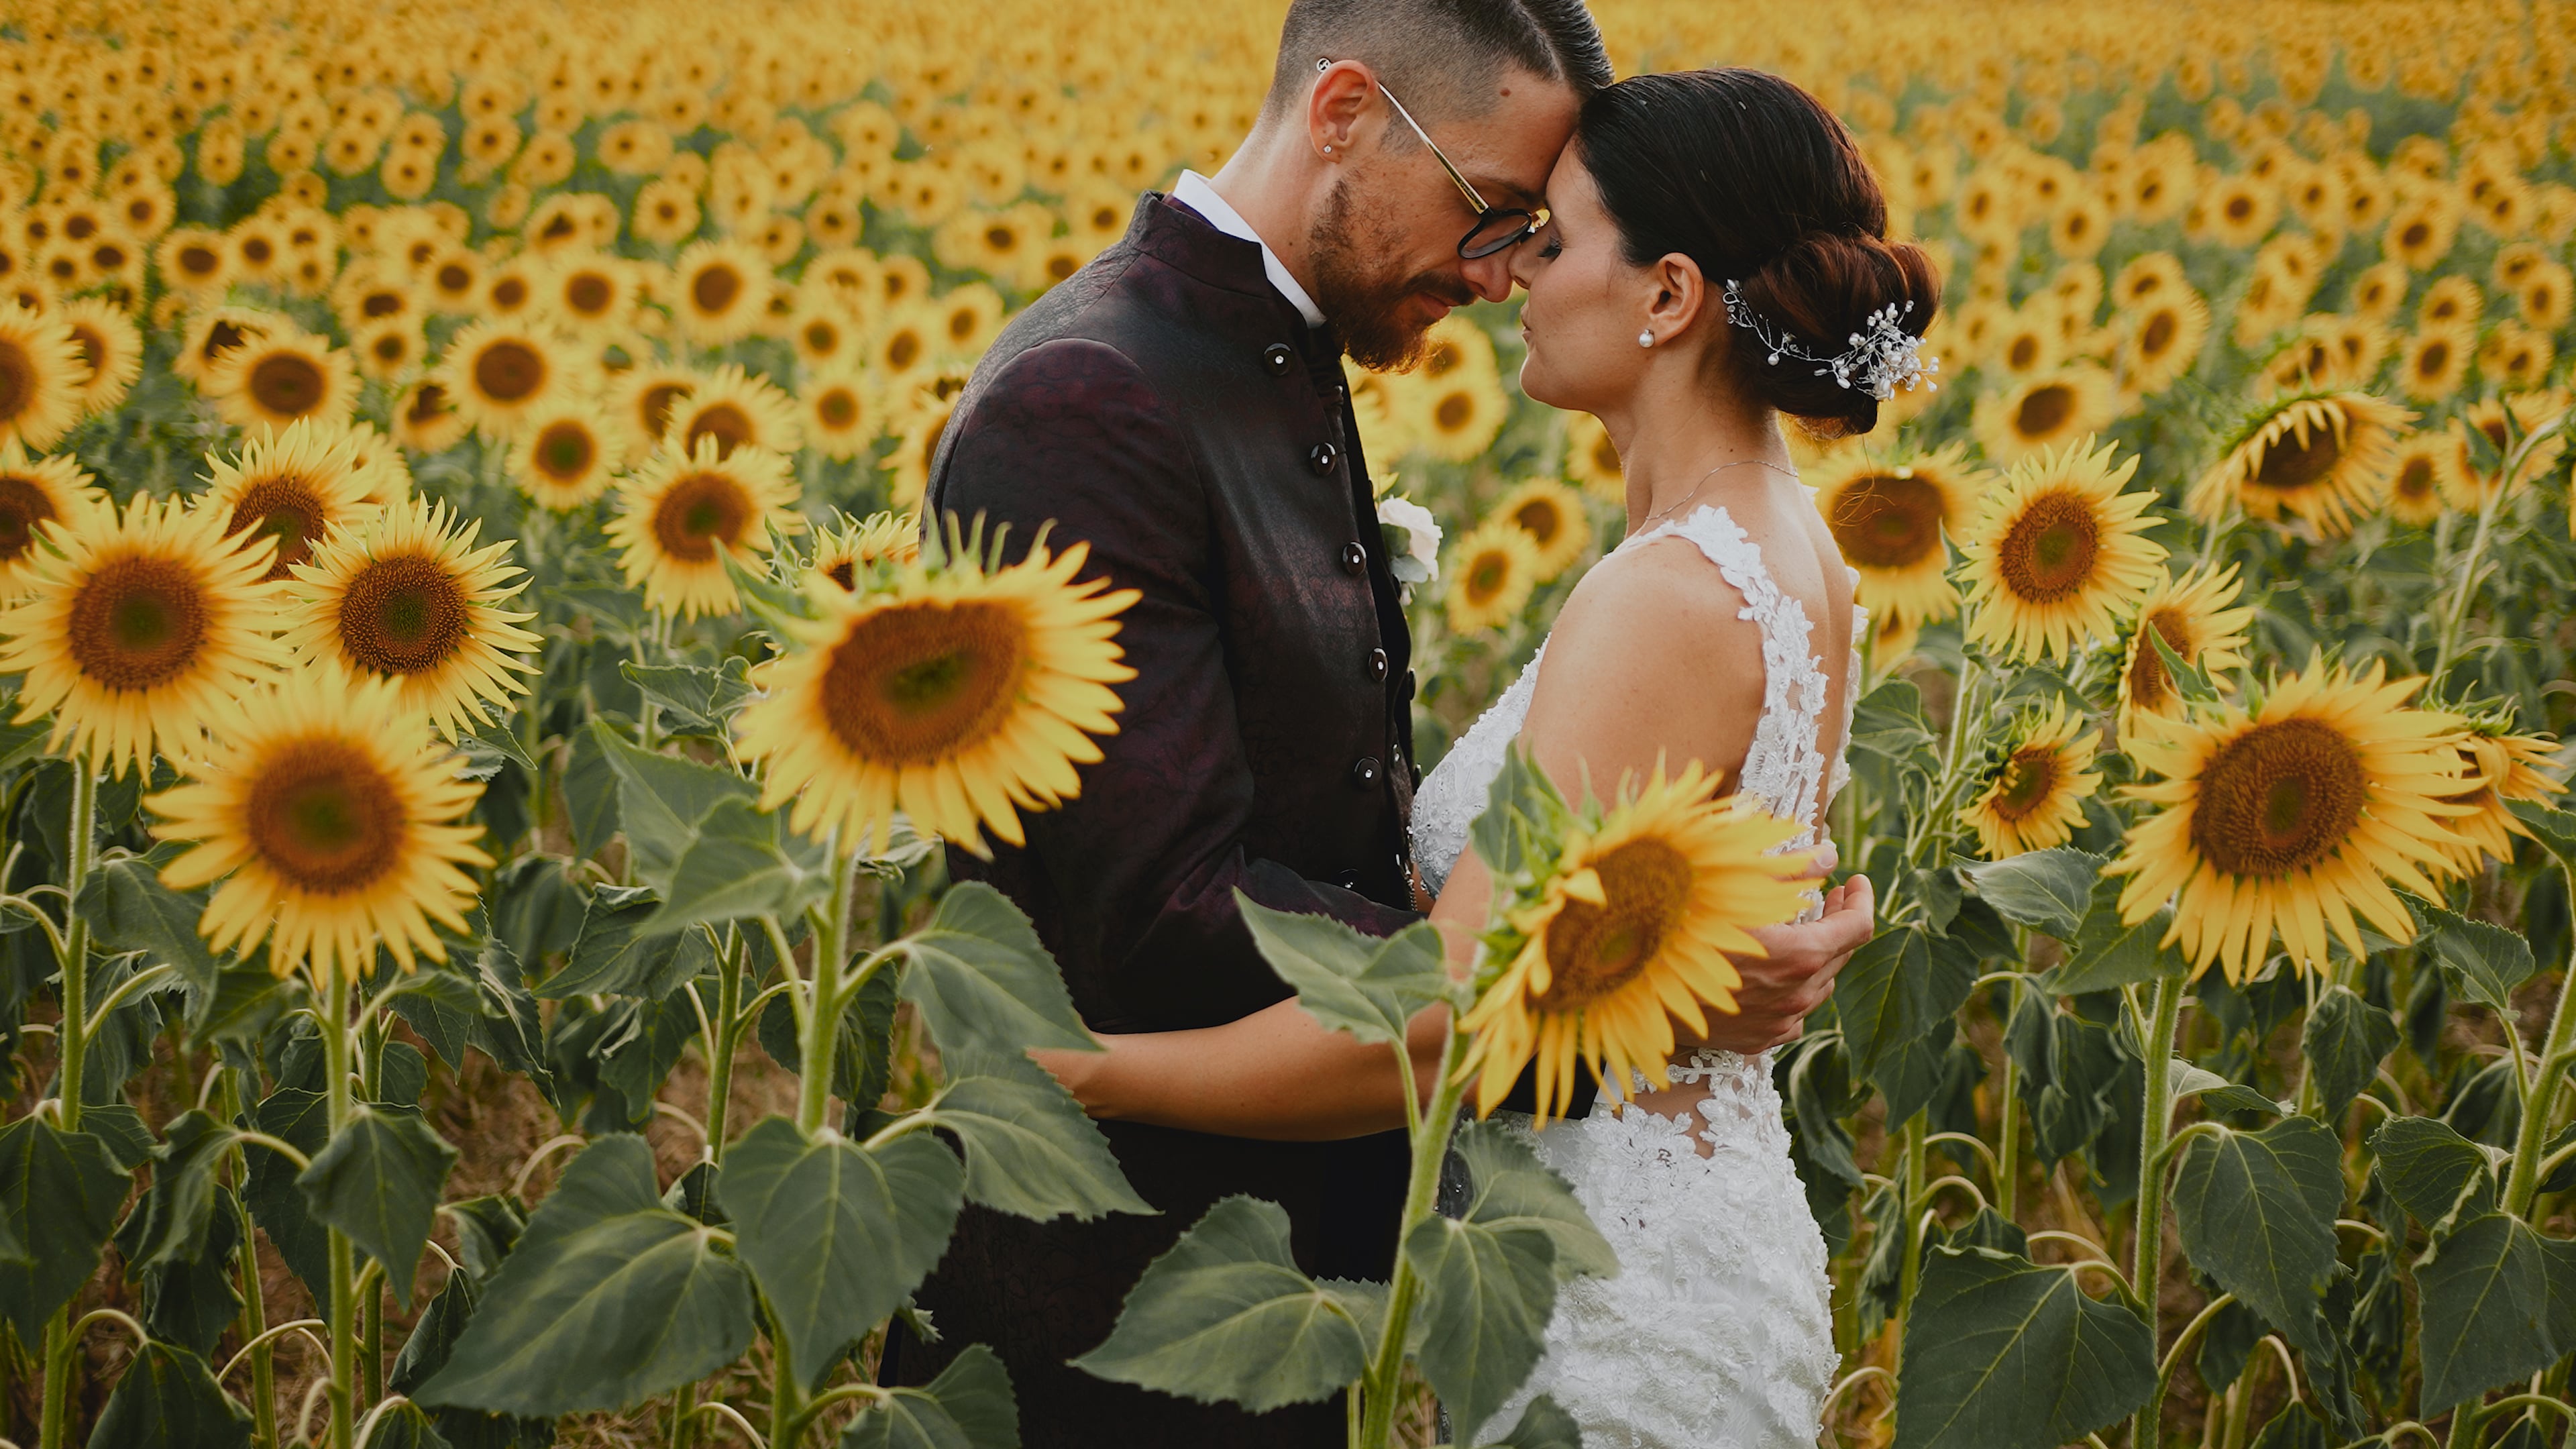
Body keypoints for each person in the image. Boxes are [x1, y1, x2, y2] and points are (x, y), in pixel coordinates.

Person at [893, 0, 1879, 1439]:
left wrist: (1618, 962)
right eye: (1493, 212)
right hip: (1119, 1303)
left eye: (1539, 232)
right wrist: (1597, 985)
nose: (1501, 277)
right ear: (1345, 111)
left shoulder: (1296, 350)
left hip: (1337, 1272)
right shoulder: (1094, 394)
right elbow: (1157, 910)